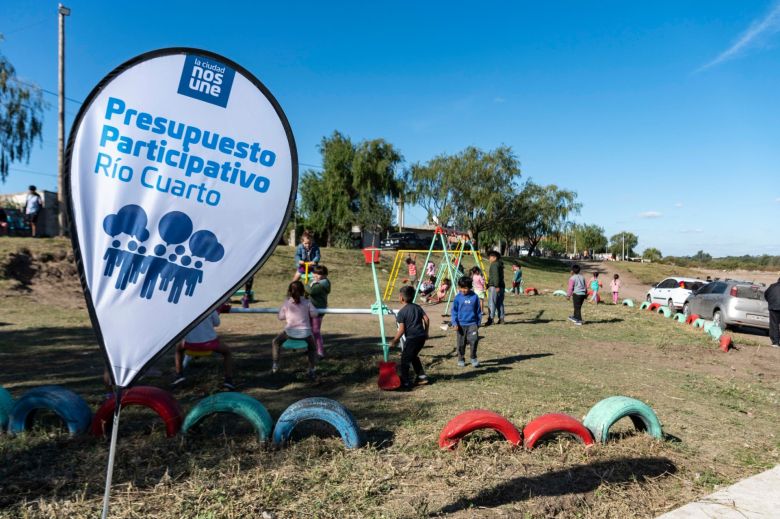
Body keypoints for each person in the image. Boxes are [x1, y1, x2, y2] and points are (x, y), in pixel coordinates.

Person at [173, 308, 235, 390]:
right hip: (209, 344)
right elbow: (217, 323)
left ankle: (179, 375)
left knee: (178, 349)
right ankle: (228, 380)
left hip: (190, 344)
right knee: (227, 352)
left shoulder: (184, 309)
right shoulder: (210, 307)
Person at [272, 281, 318, 379]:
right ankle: (312, 369)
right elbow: (315, 314)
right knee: (313, 348)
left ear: (289, 291)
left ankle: (275, 365)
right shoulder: (307, 302)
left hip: (290, 332)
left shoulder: (286, 303)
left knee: (275, 342)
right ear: (303, 291)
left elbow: (281, 317)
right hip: (305, 333)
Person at [389, 285, 430, 389]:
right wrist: (426, 332)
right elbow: (427, 319)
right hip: (421, 337)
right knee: (413, 356)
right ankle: (422, 377)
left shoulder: (402, 313)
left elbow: (401, 330)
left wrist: (395, 340)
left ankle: (405, 382)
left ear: (401, 298)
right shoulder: (417, 307)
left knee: (405, 360)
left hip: (412, 338)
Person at [451, 277, 483, 367]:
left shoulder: (475, 297)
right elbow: (454, 312)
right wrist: (454, 323)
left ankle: (473, 357)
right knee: (461, 343)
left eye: (465, 288)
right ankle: (461, 358)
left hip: (472, 324)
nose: (463, 290)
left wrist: (478, 323)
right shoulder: (457, 298)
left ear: (470, 287)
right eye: (461, 288)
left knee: (474, 340)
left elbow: (478, 311)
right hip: (461, 325)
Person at [306, 265, 331, 358]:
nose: (316, 275)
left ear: (325, 275)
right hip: (311, 309)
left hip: (318, 310)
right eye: (315, 273)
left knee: (315, 331)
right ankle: (311, 349)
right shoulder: (317, 282)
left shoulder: (322, 284)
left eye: (319, 274)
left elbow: (311, 291)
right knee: (309, 331)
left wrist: (306, 284)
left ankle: (320, 352)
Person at [486, 251, 505, 325]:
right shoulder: (499, 264)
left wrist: (496, 286)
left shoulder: (494, 265)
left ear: (494, 257)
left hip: (495, 286)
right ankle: (501, 318)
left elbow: (495, 276)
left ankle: (491, 319)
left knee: (492, 303)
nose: (489, 258)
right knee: (499, 303)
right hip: (501, 286)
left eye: (490, 257)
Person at [764, 277, 780, 348]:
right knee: (775, 325)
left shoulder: (772, 286)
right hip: (774, 307)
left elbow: (766, 295)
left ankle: (775, 342)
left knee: (774, 325)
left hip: (773, 308)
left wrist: (770, 302)